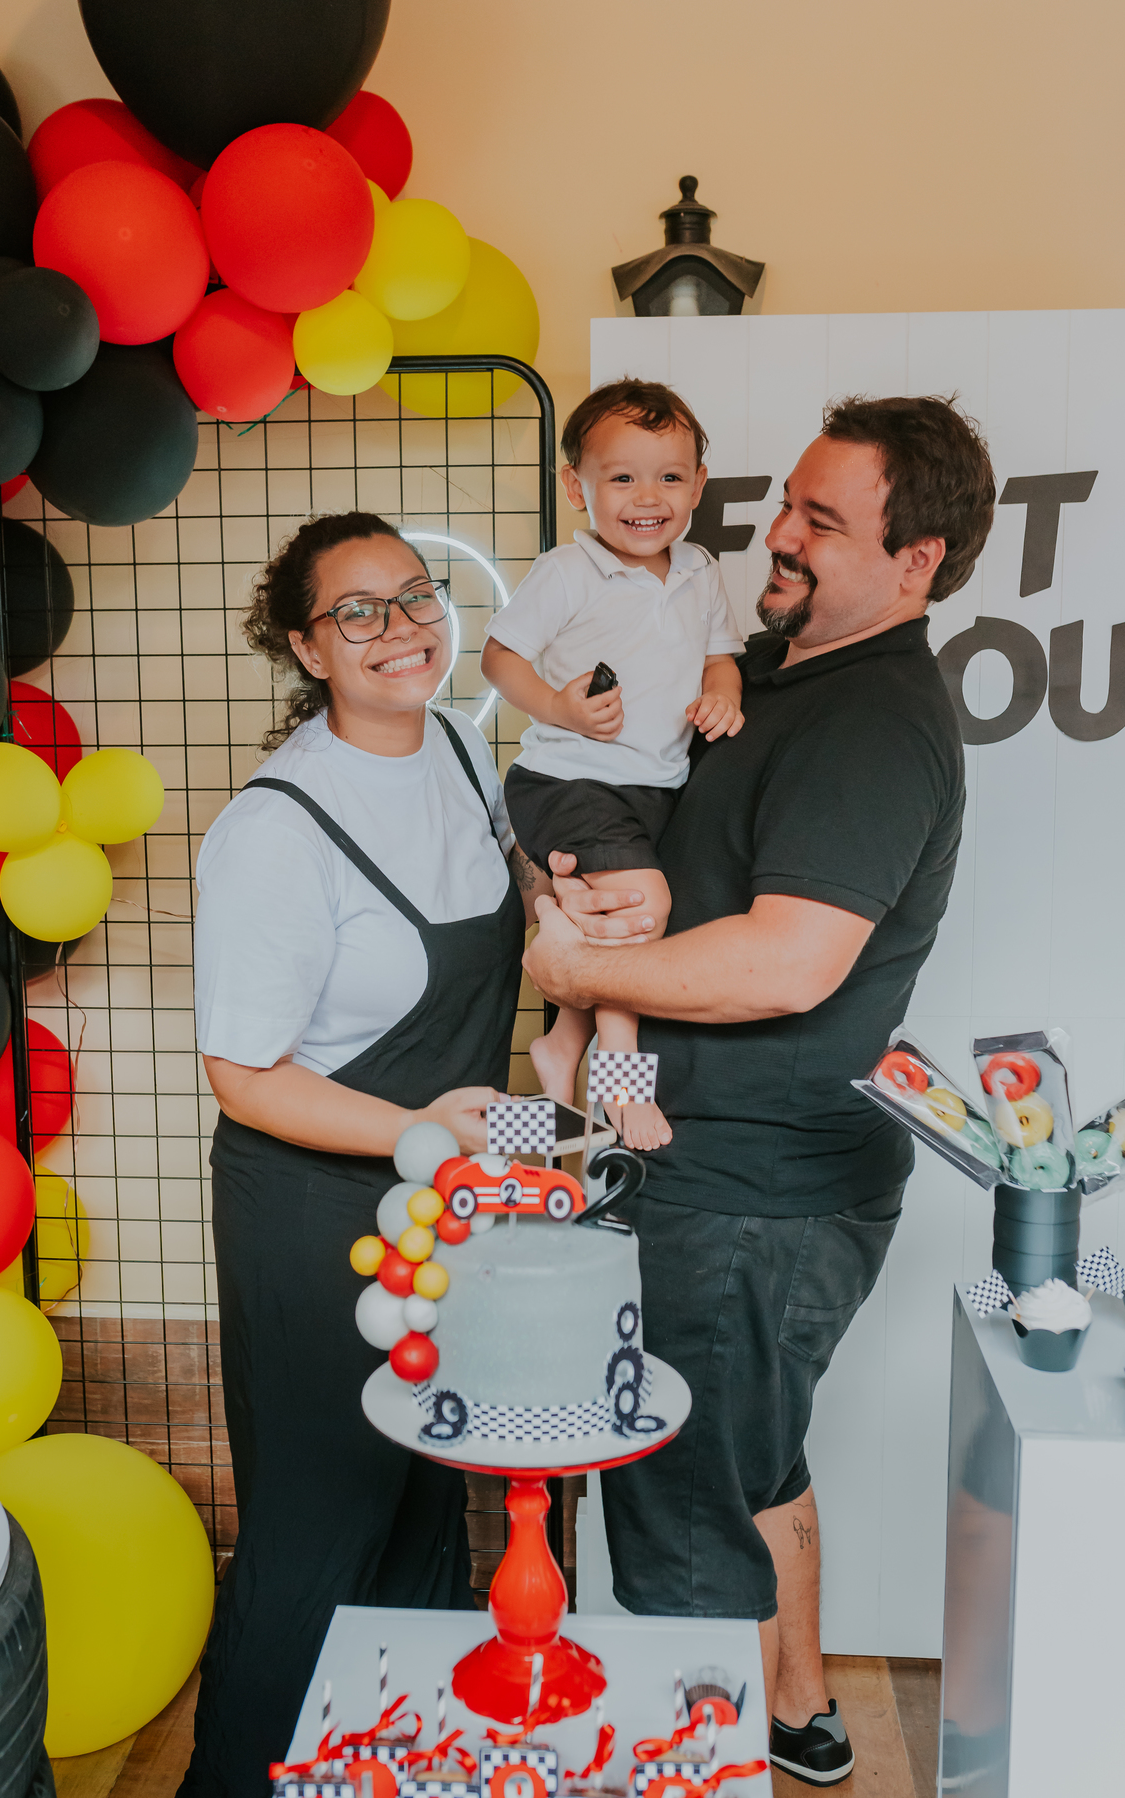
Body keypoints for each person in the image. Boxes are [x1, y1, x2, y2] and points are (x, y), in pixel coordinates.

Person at [523, 395, 996, 1788]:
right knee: (754, 1465)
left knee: (683, 1527)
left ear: (917, 561)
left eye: (823, 523)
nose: (776, 536)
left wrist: (571, 955)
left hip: (745, 1201)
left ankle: (706, 1752)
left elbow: (792, 962)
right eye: (787, 501)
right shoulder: (789, 676)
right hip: (745, 1185)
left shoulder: (873, 722)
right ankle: (794, 1713)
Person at [180, 512, 547, 1798]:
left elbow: (516, 903)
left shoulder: (455, 745)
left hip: (434, 1210)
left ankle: (392, 1774)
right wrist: (417, 1130)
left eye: (415, 595)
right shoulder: (279, 827)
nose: (401, 628)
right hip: (314, 1215)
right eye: (359, 612)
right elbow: (243, 1072)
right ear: (306, 646)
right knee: (318, 1527)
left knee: (419, 1510)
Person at [481, 380, 745, 1151]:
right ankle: (620, 1081)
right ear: (576, 487)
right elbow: (501, 658)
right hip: (569, 779)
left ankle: (562, 1044)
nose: (647, 497)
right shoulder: (569, 570)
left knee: (607, 927)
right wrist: (556, 709)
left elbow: (721, 660)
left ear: (698, 483)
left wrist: (721, 698)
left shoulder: (698, 569)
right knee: (638, 910)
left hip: (655, 786)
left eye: (670, 476)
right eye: (621, 477)